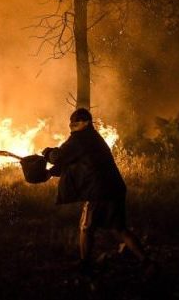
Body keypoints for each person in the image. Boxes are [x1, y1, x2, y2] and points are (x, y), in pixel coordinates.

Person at [42, 108, 155, 276]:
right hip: (113, 188)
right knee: (119, 228)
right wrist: (51, 172)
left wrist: (48, 153)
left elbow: (59, 157)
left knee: (86, 227)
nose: (72, 127)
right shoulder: (92, 138)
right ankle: (147, 262)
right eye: (71, 124)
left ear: (86, 123)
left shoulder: (81, 138)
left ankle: (85, 264)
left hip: (99, 191)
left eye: (76, 123)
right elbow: (74, 162)